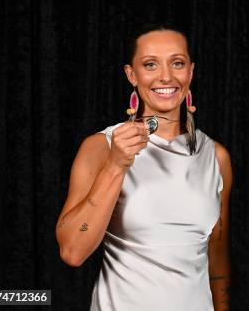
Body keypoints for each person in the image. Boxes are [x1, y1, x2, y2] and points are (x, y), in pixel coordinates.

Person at [56, 25, 232, 311]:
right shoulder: (101, 147)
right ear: (131, 75)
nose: (166, 76)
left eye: (177, 63)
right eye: (150, 64)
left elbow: (217, 258)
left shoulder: (215, 156)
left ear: (190, 72)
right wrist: (116, 165)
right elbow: (73, 251)